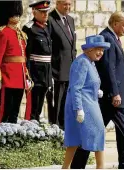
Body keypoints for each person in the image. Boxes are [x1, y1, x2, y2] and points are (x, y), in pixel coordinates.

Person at [71, 11, 124, 169]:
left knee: (93, 130)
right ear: (115, 24)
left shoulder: (113, 38)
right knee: (123, 129)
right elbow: (108, 68)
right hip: (111, 97)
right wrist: (115, 92)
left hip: (108, 96)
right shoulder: (107, 38)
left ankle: (78, 164)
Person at [62, 35, 110, 169]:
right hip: (83, 105)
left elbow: (88, 83)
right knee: (92, 133)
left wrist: (96, 90)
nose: (100, 52)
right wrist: (79, 109)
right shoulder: (82, 62)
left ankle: (66, 168)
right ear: (89, 50)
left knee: (79, 138)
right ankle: (100, 167)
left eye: (102, 49)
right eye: (97, 49)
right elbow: (75, 87)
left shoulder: (90, 62)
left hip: (91, 103)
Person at [0, 0, 33, 124]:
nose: (17, 16)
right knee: (6, 111)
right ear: (7, 15)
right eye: (14, 14)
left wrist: (27, 75)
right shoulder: (3, 33)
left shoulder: (21, 34)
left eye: (18, 14)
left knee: (15, 112)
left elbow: (23, 58)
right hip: (7, 78)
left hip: (20, 77)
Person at [22, 0, 53, 122]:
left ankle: (36, 125)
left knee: (40, 105)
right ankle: (31, 126)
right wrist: (27, 74)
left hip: (46, 72)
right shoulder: (29, 28)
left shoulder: (47, 27)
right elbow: (26, 54)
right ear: (34, 13)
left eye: (47, 12)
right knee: (33, 105)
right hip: (35, 71)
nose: (45, 15)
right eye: (42, 12)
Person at [49, 0, 77, 129]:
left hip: (70, 68)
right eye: (65, 4)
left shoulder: (70, 20)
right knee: (57, 102)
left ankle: (65, 129)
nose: (68, 7)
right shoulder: (50, 19)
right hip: (57, 69)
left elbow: (72, 46)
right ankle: (56, 128)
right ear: (58, 4)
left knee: (67, 102)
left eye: (70, 4)